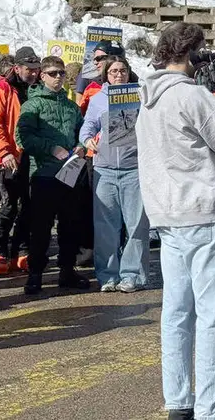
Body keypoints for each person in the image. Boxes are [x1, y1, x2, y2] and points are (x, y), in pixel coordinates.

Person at [136, 21, 215, 420]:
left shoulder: (149, 98)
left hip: (169, 215)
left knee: (177, 313)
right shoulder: (191, 95)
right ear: (191, 54)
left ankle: (180, 402)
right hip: (205, 212)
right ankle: (213, 410)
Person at [18, 56, 88, 295]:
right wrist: (50, 148)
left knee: (71, 225)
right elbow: (23, 138)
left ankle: (67, 270)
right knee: (41, 227)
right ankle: (35, 273)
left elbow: (82, 131)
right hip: (44, 174)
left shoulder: (71, 107)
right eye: (53, 73)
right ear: (42, 76)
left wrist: (81, 145)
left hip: (70, 173)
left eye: (61, 73)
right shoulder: (32, 105)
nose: (58, 77)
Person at [80, 56, 150, 292]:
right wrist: (87, 139)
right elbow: (88, 125)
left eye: (123, 71)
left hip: (134, 170)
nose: (118, 75)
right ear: (106, 75)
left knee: (136, 225)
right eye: (113, 72)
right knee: (106, 227)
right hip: (105, 170)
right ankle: (107, 275)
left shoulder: (140, 97)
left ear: (129, 73)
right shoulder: (98, 99)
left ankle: (133, 275)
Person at [0, 53, 33, 274]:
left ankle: (21, 251)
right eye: (29, 69)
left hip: (30, 156)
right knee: (6, 206)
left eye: (36, 68)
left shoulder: (35, 88)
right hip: (8, 158)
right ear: (17, 67)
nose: (34, 73)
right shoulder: (1, 90)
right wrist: (4, 152)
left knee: (28, 207)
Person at [77, 40, 124, 114]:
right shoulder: (90, 80)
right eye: (94, 59)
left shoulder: (136, 83)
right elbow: (80, 111)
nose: (95, 62)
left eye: (99, 58)